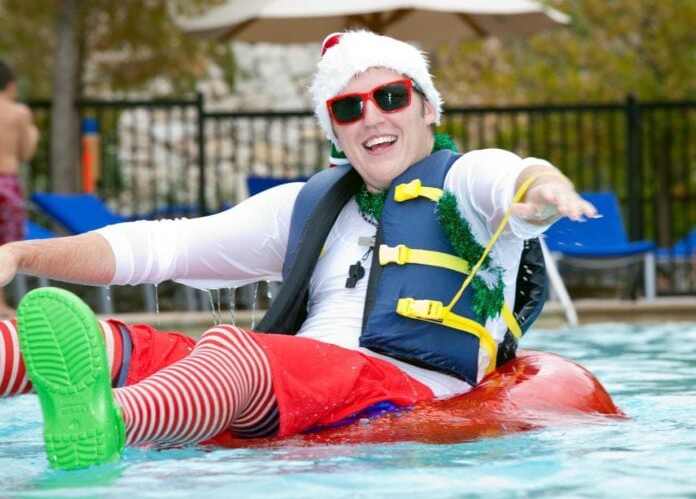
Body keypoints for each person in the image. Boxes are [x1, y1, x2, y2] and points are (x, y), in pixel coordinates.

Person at [0, 30, 596, 470]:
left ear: (428, 108)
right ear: (333, 130)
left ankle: (109, 422)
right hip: (291, 381)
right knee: (114, 343)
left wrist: (544, 194)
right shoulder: (306, 205)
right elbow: (163, 244)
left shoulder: (466, 184)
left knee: (236, 353)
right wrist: (22, 255)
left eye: (390, 97)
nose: (371, 116)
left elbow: (515, 178)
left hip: (399, 389)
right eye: (347, 107)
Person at [0, 60, 39, 317]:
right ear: (11, 86)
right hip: (6, 184)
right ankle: (1, 305)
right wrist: (33, 132)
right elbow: (26, 152)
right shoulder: (18, 113)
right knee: (5, 247)